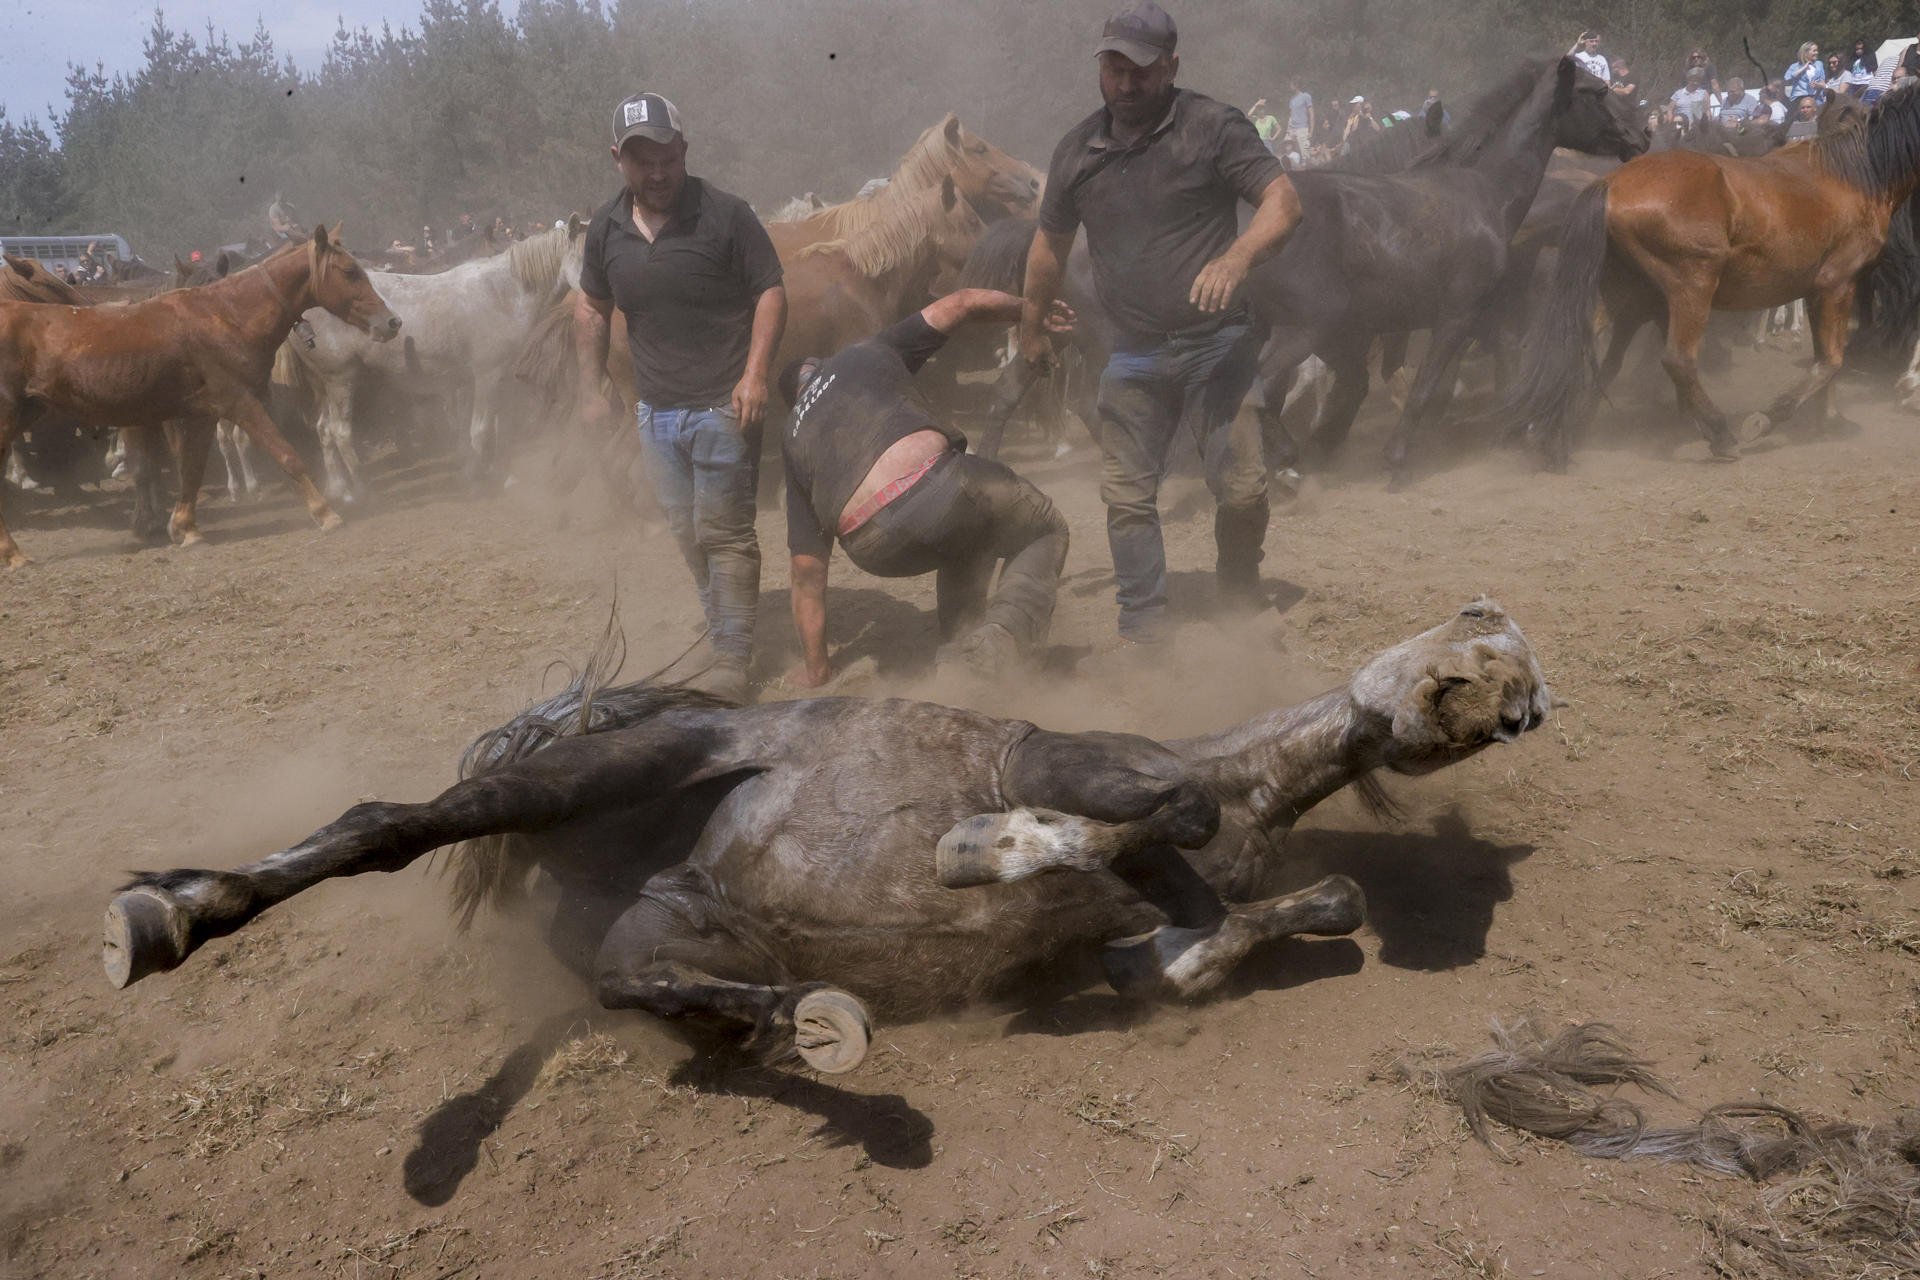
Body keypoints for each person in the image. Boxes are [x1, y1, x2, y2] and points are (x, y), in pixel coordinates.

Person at [1018, 1, 1301, 644]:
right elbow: (1048, 248)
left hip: (1218, 344)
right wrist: (1029, 328)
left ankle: (1237, 589)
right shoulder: (1077, 151)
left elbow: (1283, 203)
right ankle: (1143, 621)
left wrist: (1237, 256)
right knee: (1125, 495)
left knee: (1241, 487)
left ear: (1170, 65)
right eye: (1112, 68)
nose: (1124, 83)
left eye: (1139, 70)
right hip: (1135, 351)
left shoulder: (1213, 128)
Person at [575, 91, 788, 700]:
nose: (658, 171)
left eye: (667, 155)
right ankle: (722, 632)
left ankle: (731, 657)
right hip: (655, 414)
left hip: (724, 406)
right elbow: (591, 305)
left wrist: (754, 376)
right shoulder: (606, 228)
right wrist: (591, 387)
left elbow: (769, 290)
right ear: (618, 158)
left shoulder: (726, 214)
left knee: (724, 532)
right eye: (643, 159)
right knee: (687, 532)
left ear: (684, 150)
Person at [779, 288, 1075, 686]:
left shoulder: (793, 437)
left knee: (967, 541)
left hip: (874, 547)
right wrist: (1031, 311)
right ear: (821, 366)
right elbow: (964, 302)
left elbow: (806, 572)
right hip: (939, 487)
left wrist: (816, 669)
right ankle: (1003, 634)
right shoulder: (862, 353)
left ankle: (961, 664)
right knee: (1043, 527)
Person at [1286, 77, 1315, 155]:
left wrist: (1311, 130)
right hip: (1292, 129)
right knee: (1288, 151)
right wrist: (1288, 129)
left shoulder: (1305, 96)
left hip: (1302, 128)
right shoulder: (1291, 99)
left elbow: (1311, 113)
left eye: (1291, 85)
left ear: (1296, 85)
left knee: (1305, 153)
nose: (1290, 87)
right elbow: (1291, 115)